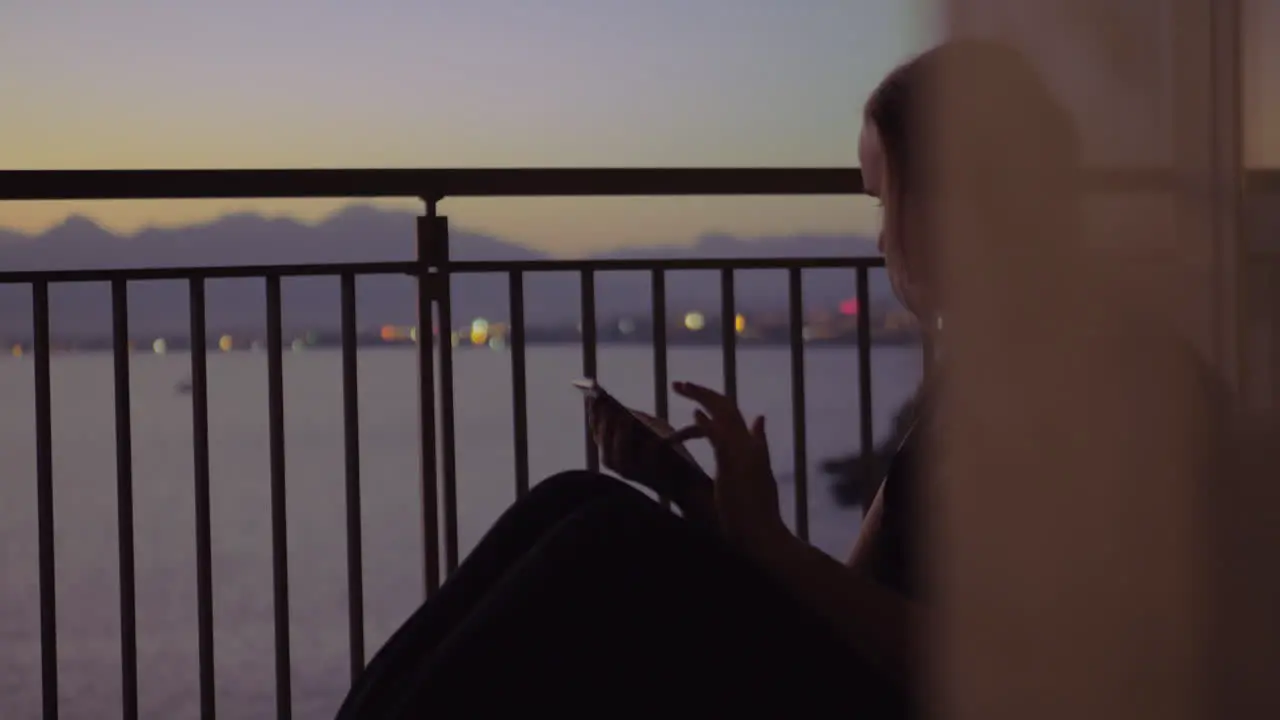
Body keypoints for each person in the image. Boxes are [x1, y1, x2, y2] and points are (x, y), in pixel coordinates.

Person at [334, 39, 1077, 720]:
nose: (881, 237)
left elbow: (1009, 668)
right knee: (577, 497)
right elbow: (855, 591)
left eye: (887, 202)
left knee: (606, 544)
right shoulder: (978, 372)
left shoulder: (1076, 379)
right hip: (863, 679)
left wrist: (767, 543)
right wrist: (704, 499)